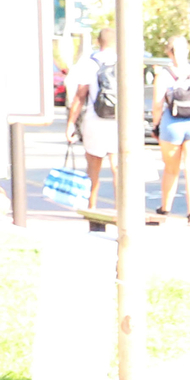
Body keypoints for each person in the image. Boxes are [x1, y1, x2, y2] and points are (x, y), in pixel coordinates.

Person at [153, 36, 190, 224]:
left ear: (169, 53)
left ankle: (165, 209)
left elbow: (157, 104)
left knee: (171, 170)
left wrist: (156, 126)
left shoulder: (164, 75)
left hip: (172, 124)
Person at [64, 22, 116, 229]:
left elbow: (80, 95)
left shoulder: (90, 62)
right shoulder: (126, 60)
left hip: (96, 119)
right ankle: (121, 208)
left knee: (93, 166)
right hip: (120, 121)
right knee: (118, 167)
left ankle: (92, 207)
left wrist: (70, 124)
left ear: (98, 42)